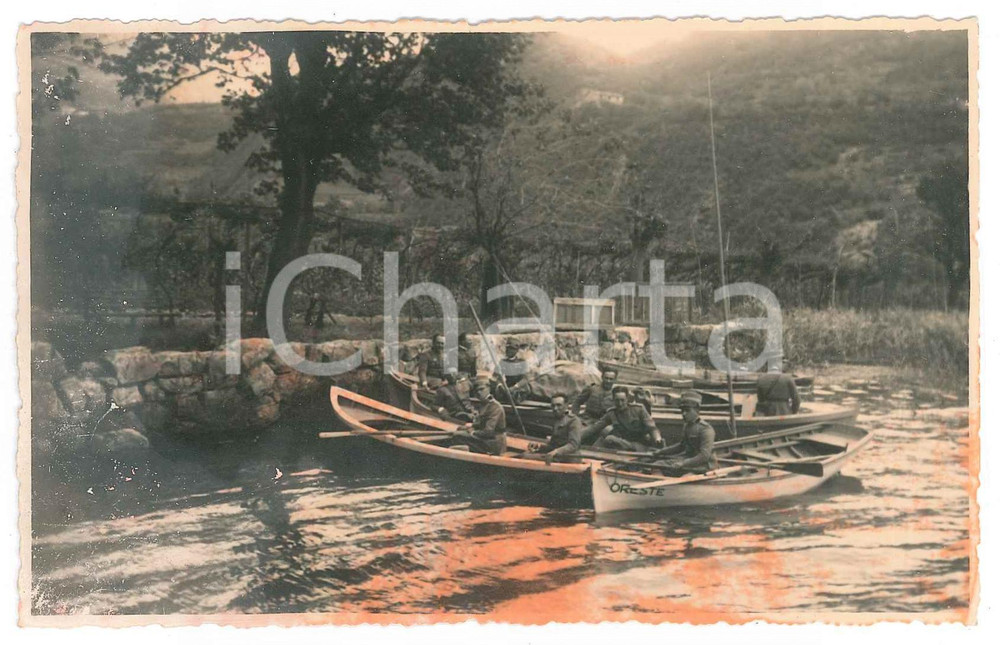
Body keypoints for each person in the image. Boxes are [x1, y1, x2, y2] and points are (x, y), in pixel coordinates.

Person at [651, 390, 718, 474]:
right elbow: (681, 446)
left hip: (705, 465)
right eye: (682, 411)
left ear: (696, 410)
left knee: (686, 477)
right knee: (657, 465)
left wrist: (683, 463)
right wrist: (661, 451)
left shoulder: (706, 429)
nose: (683, 413)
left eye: (687, 410)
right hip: (689, 460)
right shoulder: (687, 426)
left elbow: (704, 456)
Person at [585, 386, 664, 451]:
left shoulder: (638, 409)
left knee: (610, 438)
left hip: (640, 445)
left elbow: (652, 428)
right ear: (613, 400)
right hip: (623, 444)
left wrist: (657, 439)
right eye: (617, 401)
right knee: (605, 437)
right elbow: (594, 428)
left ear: (627, 399)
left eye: (622, 400)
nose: (620, 404)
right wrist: (577, 438)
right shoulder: (611, 413)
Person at [522, 393, 585, 465]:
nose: (555, 408)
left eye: (559, 405)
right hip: (557, 457)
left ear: (566, 405)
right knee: (525, 454)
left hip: (568, 459)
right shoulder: (557, 420)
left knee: (525, 457)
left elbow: (573, 445)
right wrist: (539, 446)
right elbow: (553, 445)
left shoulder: (573, 421)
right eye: (553, 405)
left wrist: (556, 451)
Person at [448, 379, 507, 456]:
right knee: (460, 429)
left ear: (488, 389)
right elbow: (482, 422)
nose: (479, 392)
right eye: (477, 391)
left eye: (482, 389)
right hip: (488, 438)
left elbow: (488, 432)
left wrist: (473, 432)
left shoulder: (495, 407)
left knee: (458, 436)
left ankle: (463, 455)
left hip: (493, 443)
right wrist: (472, 425)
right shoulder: (484, 404)